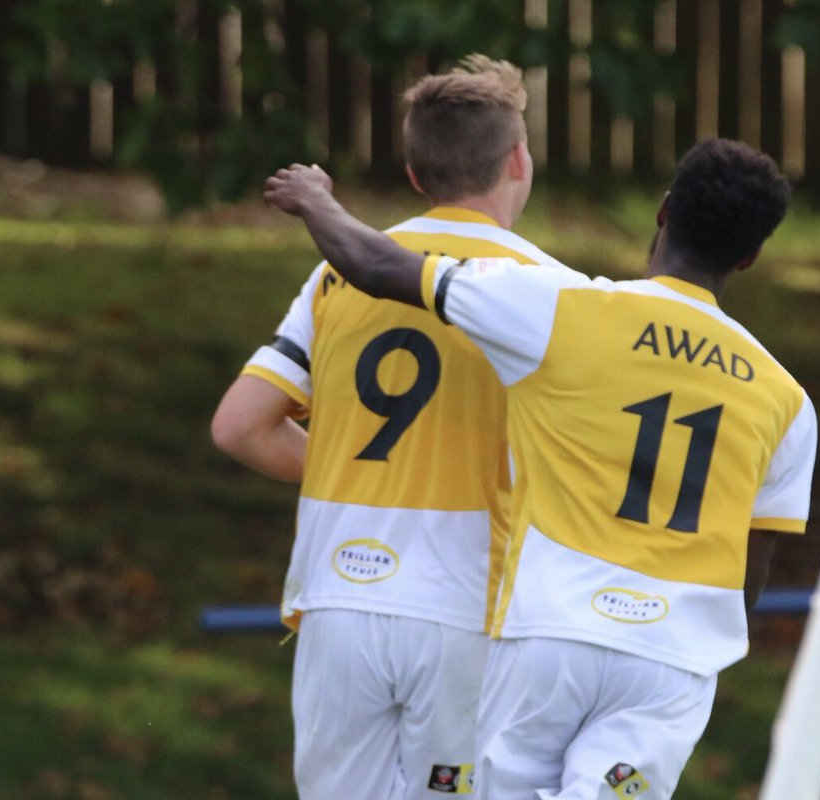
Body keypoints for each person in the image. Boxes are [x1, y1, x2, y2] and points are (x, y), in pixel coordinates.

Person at [262, 138, 817, 800]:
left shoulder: (560, 310)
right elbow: (750, 575)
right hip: (671, 661)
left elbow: (375, 264)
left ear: (665, 211)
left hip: (551, 632)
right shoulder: (785, 400)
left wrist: (315, 200)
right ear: (751, 255)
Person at [212, 55, 561, 799]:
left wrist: (359, 470)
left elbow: (241, 426)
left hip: (340, 597)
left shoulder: (336, 273)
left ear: (413, 172)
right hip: (469, 603)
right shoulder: (554, 292)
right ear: (517, 161)